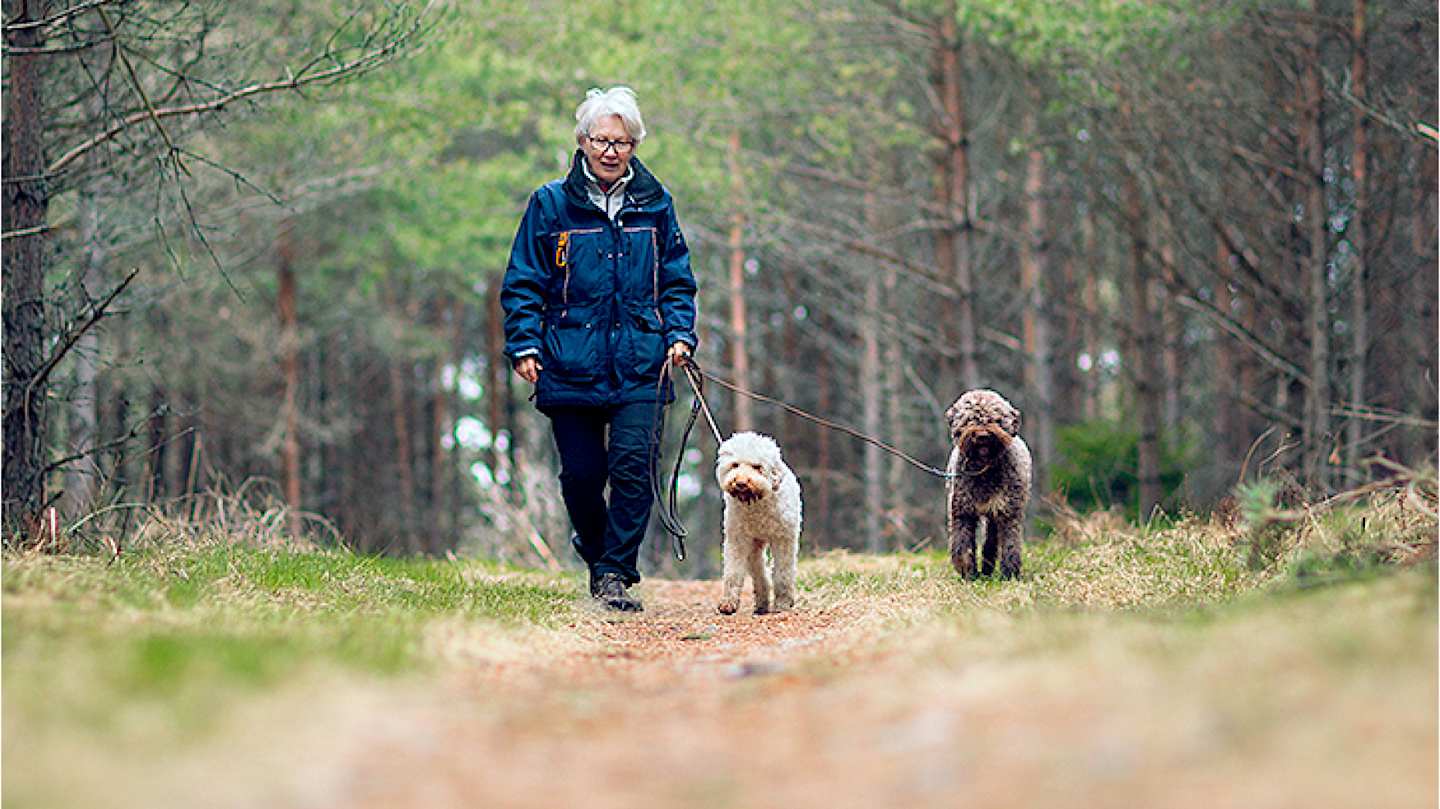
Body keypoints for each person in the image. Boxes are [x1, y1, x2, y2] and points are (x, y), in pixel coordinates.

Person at [501, 86, 697, 612]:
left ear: (635, 145)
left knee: (635, 469)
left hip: (642, 362)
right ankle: (594, 547)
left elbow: (677, 280)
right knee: (582, 476)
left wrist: (679, 334)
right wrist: (524, 343)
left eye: (622, 141)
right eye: (601, 140)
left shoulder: (656, 205)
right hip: (568, 360)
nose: (611, 150)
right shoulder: (550, 204)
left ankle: (613, 573)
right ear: (582, 142)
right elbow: (523, 281)